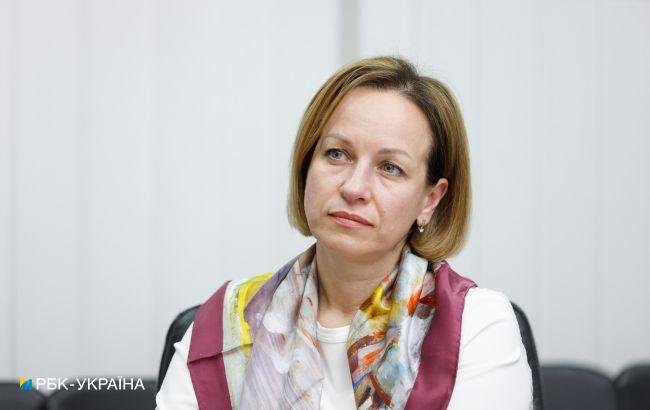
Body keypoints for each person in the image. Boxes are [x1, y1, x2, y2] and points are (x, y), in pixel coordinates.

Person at [156, 56, 533, 409]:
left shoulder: (474, 325)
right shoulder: (226, 321)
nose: (354, 187)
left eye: (390, 168)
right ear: (306, 168)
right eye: (337, 154)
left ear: (429, 200)